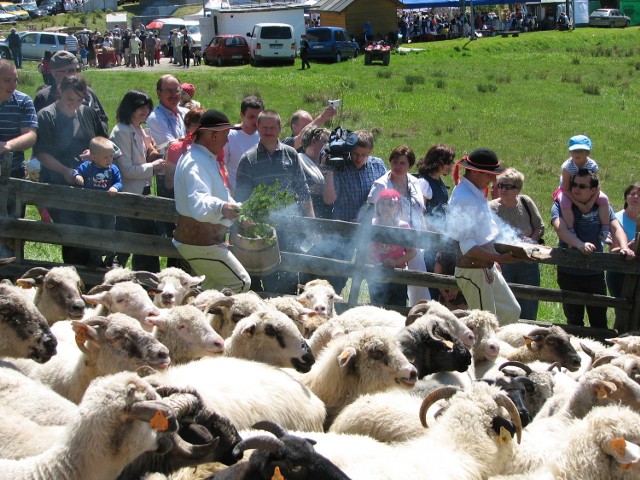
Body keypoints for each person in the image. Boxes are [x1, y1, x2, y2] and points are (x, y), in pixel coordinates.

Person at [235, 110, 315, 294]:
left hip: (289, 225)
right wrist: (247, 221)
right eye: (265, 128)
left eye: (272, 127)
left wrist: (310, 220)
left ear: (279, 128)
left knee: (288, 275)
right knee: (260, 277)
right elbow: (241, 197)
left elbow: (302, 189)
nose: (269, 131)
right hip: (260, 227)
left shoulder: (291, 154)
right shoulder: (248, 159)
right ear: (258, 128)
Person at [33, 75, 109, 266]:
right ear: (59, 92)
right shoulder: (46, 115)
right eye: (69, 99)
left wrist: (92, 152)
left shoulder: (88, 113)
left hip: (90, 183)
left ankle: (93, 276)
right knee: (73, 235)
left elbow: (103, 141)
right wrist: (65, 170)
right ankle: (76, 276)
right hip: (59, 183)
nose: (74, 104)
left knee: (94, 232)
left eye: (79, 100)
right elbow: (42, 153)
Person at [173, 109, 250, 293]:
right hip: (200, 244)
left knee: (212, 290)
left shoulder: (204, 159)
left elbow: (221, 196)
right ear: (214, 136)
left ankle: (198, 318)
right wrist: (223, 207)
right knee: (241, 283)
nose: (227, 140)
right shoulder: (196, 163)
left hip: (203, 243)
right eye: (225, 134)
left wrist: (240, 213)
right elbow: (200, 204)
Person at [447, 148, 522, 324]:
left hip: (484, 265)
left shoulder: (475, 192)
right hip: (472, 269)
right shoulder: (465, 198)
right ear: (474, 172)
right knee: (484, 324)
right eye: (488, 174)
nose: (493, 179)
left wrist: (494, 260)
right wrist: (497, 257)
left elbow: (483, 233)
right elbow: (467, 245)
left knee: (510, 311)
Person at [551, 169, 633, 328]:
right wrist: (579, 244)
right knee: (574, 320)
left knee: (599, 320)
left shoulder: (601, 205)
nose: (576, 189)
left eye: (582, 186)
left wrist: (624, 247)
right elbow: (560, 229)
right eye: (574, 184)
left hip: (595, 271)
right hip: (569, 271)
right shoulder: (561, 204)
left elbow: (616, 228)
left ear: (593, 190)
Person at [323, 129, 387, 293]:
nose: (358, 158)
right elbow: (329, 199)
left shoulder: (378, 165)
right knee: (339, 274)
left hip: (370, 230)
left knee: (374, 274)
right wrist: (330, 170)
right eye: (355, 153)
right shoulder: (341, 165)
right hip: (345, 229)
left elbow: (386, 194)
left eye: (363, 154)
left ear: (370, 152)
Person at [367, 146, 430, 306]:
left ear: (410, 165)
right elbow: (372, 213)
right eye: (395, 162)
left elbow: (420, 210)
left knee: (418, 283)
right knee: (392, 284)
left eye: (402, 163)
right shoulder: (381, 184)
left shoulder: (415, 182)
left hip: (414, 237)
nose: (397, 166)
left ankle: (417, 312)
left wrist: (423, 231)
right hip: (392, 239)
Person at [110, 90, 165, 271]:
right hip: (130, 193)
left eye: (147, 107)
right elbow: (126, 170)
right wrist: (154, 166)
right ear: (129, 108)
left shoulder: (139, 129)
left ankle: (146, 279)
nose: (145, 111)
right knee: (134, 242)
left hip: (144, 190)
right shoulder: (121, 132)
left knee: (147, 241)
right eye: (140, 107)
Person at [489, 168, 544, 320]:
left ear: (518, 189)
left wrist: (531, 240)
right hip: (503, 262)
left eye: (508, 186)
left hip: (528, 262)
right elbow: (486, 237)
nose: (503, 189)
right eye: (500, 185)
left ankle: (527, 341)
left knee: (529, 307)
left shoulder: (526, 202)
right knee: (506, 309)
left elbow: (540, 227)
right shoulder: (490, 208)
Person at [0, 59, 38, 257]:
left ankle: (10, 275)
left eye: (15, 80)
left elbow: (30, 135)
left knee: (12, 230)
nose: (13, 85)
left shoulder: (23, 101)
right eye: (7, 81)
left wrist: (7, 146)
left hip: (12, 174)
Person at [72, 136, 122, 267]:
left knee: (109, 230)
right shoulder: (87, 167)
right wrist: (77, 176)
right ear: (93, 157)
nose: (109, 159)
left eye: (111, 156)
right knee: (93, 229)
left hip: (108, 208)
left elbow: (119, 182)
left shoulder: (113, 169)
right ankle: (95, 256)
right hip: (91, 207)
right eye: (106, 157)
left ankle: (111, 257)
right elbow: (75, 172)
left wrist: (115, 187)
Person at [556, 134, 611, 244]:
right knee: (565, 203)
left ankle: (605, 230)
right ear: (570, 152)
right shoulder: (567, 167)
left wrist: (591, 202)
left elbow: (596, 185)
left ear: (588, 152)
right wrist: (579, 204)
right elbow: (566, 188)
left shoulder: (592, 165)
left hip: (588, 190)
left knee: (604, 200)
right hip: (568, 190)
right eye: (574, 151)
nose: (577, 154)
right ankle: (571, 230)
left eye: (581, 150)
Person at [33, 50, 108, 130]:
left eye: (78, 70)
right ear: (54, 73)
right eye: (70, 71)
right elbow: (36, 129)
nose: (75, 74)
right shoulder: (43, 97)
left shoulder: (88, 93)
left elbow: (103, 121)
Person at [368, 188, 416, 307]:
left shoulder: (403, 226)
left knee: (397, 306)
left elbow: (412, 252)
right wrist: (376, 261)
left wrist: (396, 261)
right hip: (377, 272)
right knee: (377, 306)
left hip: (397, 273)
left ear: (397, 207)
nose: (385, 207)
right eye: (382, 204)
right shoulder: (372, 224)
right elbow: (365, 250)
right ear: (377, 206)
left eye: (390, 204)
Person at [223, 95, 264, 194]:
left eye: (258, 117)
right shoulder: (229, 136)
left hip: (258, 197)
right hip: (235, 196)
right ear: (242, 115)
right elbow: (221, 166)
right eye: (251, 117)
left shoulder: (264, 136)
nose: (255, 121)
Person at [606, 183, 640, 297]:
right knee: (623, 313)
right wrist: (629, 246)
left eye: (639, 195)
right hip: (619, 272)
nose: (636, 197)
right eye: (633, 194)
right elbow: (612, 251)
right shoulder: (616, 220)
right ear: (626, 197)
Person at [164, 107, 205, 190]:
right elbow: (169, 181)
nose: (198, 129)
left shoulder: (213, 148)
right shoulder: (176, 148)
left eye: (201, 125)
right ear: (187, 126)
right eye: (194, 125)